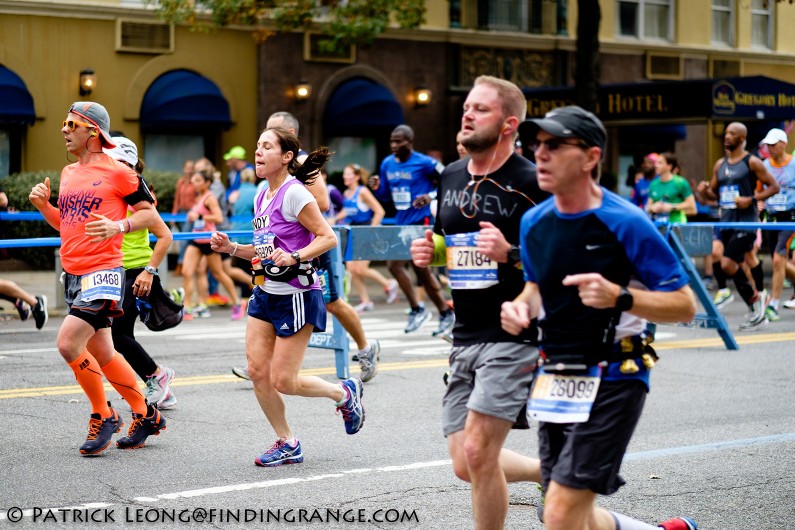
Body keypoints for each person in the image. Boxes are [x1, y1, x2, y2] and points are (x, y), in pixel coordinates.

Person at [502, 105, 698, 530]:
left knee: (557, 513)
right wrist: (521, 306)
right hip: (556, 373)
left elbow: (685, 305)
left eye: (554, 145)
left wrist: (620, 297)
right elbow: (535, 286)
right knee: (569, 509)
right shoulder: (535, 221)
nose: (540, 153)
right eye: (537, 144)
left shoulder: (624, 220)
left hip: (615, 373)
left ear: (591, 157)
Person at [410, 75, 547, 530]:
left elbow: (560, 261)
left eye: (480, 109)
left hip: (513, 334)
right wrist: (434, 252)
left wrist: (509, 253)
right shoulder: (449, 174)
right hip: (464, 332)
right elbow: (453, 241)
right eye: (467, 106)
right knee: (464, 464)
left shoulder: (532, 183)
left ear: (509, 124)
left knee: (479, 453)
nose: (467, 114)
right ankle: (551, 473)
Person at [210, 126, 365, 466]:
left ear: (286, 157)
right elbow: (264, 249)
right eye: (257, 145)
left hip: (296, 295)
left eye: (266, 146)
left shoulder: (296, 194)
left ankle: (344, 393)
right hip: (265, 292)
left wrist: (296, 257)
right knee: (256, 370)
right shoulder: (262, 195)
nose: (258, 152)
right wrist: (231, 247)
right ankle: (287, 441)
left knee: (284, 380)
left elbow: (327, 238)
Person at [29, 101, 165, 455]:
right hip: (73, 272)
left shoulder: (120, 172)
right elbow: (67, 225)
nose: (63, 130)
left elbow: (150, 216)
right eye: (63, 123)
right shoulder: (68, 172)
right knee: (103, 351)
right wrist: (45, 207)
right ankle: (145, 413)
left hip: (104, 271)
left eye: (70, 123)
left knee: (67, 343)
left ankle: (103, 414)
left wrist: (119, 225)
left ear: (93, 130)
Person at [103, 136, 177, 409]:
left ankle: (157, 376)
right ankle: (156, 382)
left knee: (118, 335)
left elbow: (165, 236)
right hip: (115, 270)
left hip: (136, 271)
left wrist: (149, 271)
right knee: (113, 336)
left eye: (116, 161)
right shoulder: (111, 189)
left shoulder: (134, 191)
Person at [371, 124, 455, 335]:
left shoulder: (425, 163)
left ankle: (430, 310)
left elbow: (450, 178)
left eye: (398, 141)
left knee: (414, 268)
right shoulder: (387, 164)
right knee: (401, 267)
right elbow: (385, 197)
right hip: (401, 222)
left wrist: (431, 196)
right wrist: (377, 188)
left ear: (409, 142)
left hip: (421, 221)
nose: (394, 145)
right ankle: (433, 310)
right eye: (392, 141)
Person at [697, 122, 779, 330]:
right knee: (729, 260)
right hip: (726, 222)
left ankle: (756, 299)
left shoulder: (752, 162)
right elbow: (713, 195)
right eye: (726, 133)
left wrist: (751, 199)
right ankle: (754, 306)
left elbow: (774, 187)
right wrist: (703, 190)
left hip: (746, 223)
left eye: (732, 134)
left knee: (727, 263)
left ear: (742, 138)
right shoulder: (720, 164)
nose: (727, 137)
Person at [334, 163, 398, 312]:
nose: (345, 176)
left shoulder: (362, 192)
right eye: (344, 173)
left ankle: (388, 282)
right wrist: (334, 219)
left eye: (348, 174)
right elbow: (347, 211)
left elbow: (380, 211)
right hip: (355, 234)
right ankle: (366, 301)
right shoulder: (346, 194)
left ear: (356, 177)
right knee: (351, 268)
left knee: (361, 269)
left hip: (368, 232)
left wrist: (370, 231)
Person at [181, 170, 242, 319]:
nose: (194, 184)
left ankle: (237, 303)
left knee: (218, 273)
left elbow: (219, 218)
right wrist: (193, 217)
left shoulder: (210, 198)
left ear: (207, 183)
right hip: (196, 240)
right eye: (194, 181)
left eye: (198, 181)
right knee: (187, 272)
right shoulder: (198, 197)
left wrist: (200, 216)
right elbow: (198, 217)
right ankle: (188, 307)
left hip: (209, 241)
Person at [758, 128, 795, 322]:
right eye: (768, 144)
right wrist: (759, 203)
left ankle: (773, 305)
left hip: (790, 218)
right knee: (778, 261)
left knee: (779, 259)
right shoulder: (764, 165)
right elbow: (760, 190)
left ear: (784, 143)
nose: (769, 148)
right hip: (771, 218)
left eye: (773, 144)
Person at [645, 152, 696, 224]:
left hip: (677, 225)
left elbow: (692, 208)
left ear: (669, 166)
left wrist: (672, 207)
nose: (656, 165)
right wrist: (653, 207)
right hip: (658, 226)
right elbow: (648, 207)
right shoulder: (653, 184)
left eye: (660, 163)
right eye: (656, 163)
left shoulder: (681, 182)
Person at [171, 159, 196, 276]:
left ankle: (180, 265)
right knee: (183, 240)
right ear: (184, 168)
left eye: (191, 168)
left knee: (184, 240)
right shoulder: (180, 182)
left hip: (190, 214)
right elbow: (177, 199)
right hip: (181, 212)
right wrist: (173, 215)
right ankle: (186, 265)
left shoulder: (195, 182)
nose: (189, 170)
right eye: (187, 167)